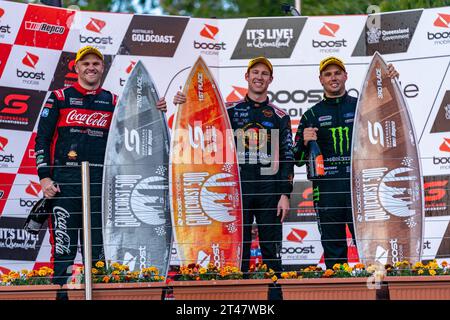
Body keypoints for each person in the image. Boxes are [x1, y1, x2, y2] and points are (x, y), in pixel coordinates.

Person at [35, 45, 169, 290]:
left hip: (102, 184)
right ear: (76, 68)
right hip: (65, 183)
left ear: (102, 68)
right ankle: (62, 294)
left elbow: (138, 129)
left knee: (98, 252)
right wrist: (44, 177)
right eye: (85, 64)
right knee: (63, 249)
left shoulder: (113, 101)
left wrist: (156, 110)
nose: (91, 68)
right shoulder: (59, 97)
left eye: (96, 63)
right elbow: (42, 139)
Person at [172, 56, 294, 276]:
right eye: (255, 72)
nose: (259, 77)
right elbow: (199, 119)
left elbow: (287, 156)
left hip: (270, 188)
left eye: (264, 73)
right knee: (240, 247)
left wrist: (285, 193)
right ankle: (242, 292)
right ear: (246, 77)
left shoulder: (280, 115)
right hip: (237, 188)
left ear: (271, 79)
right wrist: (183, 101)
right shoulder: (227, 109)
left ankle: (276, 293)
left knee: (271, 247)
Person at [292, 56, 399, 270]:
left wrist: (391, 82)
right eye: (328, 74)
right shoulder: (311, 114)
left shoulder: (363, 106)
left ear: (345, 76)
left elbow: (393, 118)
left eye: (337, 73)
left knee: (370, 245)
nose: (333, 78)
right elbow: (297, 160)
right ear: (321, 79)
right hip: (327, 190)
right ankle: (339, 291)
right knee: (334, 249)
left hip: (361, 188)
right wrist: (304, 142)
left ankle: (375, 291)